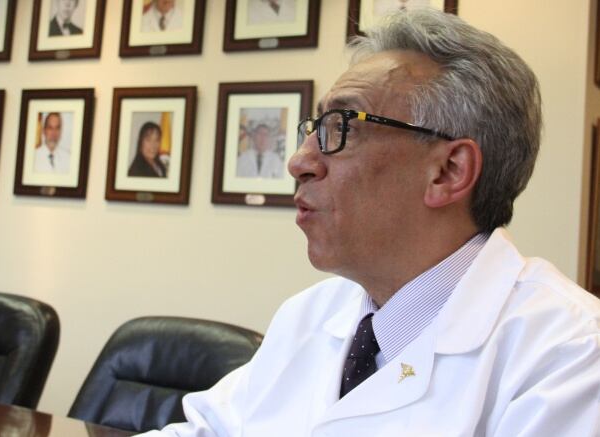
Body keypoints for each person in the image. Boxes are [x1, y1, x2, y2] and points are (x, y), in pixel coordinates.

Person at [140, 9, 600, 436]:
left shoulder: (570, 356)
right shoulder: (311, 314)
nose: (299, 162)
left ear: (448, 171)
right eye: (314, 129)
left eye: (342, 127)